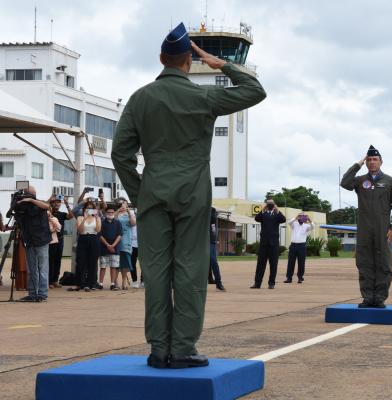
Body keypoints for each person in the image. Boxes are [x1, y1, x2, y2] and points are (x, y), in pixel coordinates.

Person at [111, 22, 266, 369]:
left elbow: (120, 155)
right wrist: (221, 63)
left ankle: (157, 349)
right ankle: (182, 349)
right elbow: (255, 91)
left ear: (161, 59)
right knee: (191, 269)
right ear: (188, 61)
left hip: (153, 193)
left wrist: (141, 194)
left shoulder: (140, 98)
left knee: (155, 271)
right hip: (193, 194)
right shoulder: (203, 96)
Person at [340, 145, 392, 308]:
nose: (372, 162)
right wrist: (357, 164)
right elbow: (345, 182)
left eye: (375, 159)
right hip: (364, 230)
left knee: (384, 265)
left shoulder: (389, 181)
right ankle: (368, 297)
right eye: (369, 160)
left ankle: (380, 298)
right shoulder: (361, 181)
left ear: (381, 162)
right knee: (364, 263)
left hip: (383, 230)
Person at [15, 186, 52, 302]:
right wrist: (17, 202)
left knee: (42, 268)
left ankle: (42, 294)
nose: (26, 196)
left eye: (29, 194)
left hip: (41, 240)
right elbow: (12, 214)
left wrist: (31, 200)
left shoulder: (38, 204)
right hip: (29, 240)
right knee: (31, 269)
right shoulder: (22, 207)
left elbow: (47, 206)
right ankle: (32, 293)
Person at [251, 199, 286, 289]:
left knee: (273, 264)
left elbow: (283, 219)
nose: (270, 205)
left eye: (271, 204)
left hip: (274, 244)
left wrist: (277, 210)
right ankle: (257, 283)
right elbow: (256, 218)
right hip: (264, 243)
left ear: (274, 205)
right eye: (268, 203)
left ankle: (271, 283)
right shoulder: (263, 214)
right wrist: (262, 209)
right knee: (260, 264)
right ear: (266, 204)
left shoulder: (277, 215)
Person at [71, 200, 101, 292]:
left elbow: (98, 230)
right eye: (87, 208)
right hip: (83, 239)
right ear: (84, 209)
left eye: (91, 208)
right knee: (81, 262)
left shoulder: (97, 218)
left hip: (93, 239)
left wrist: (96, 218)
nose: (89, 209)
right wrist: (85, 218)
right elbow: (80, 230)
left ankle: (91, 283)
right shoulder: (80, 217)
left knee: (93, 262)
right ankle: (80, 283)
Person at [47, 195, 73, 288]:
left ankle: (55, 280)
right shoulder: (48, 213)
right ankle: (49, 281)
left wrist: (66, 203)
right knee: (50, 260)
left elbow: (71, 216)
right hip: (51, 240)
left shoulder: (62, 214)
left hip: (60, 240)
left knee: (58, 260)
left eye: (58, 202)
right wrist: (50, 199)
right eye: (55, 202)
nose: (57, 203)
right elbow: (45, 206)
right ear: (51, 203)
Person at [284, 213, 314, 284]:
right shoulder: (294, 224)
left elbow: (313, 227)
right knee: (291, 262)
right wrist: (296, 217)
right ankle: (289, 278)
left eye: (302, 217)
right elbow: (289, 222)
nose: (301, 218)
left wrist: (309, 220)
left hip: (302, 246)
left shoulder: (306, 226)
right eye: (300, 217)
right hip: (293, 245)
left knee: (301, 263)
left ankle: (300, 278)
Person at [98, 204, 123, 290]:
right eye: (109, 212)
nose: (110, 213)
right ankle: (100, 283)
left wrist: (113, 245)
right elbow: (100, 235)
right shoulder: (101, 222)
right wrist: (108, 245)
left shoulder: (118, 222)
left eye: (112, 212)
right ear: (105, 213)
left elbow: (120, 235)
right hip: (103, 248)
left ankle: (112, 284)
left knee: (113, 267)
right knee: (103, 266)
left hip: (115, 248)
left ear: (114, 213)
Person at [115, 199, 136, 290]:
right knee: (115, 261)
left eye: (124, 203)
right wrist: (118, 211)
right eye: (121, 203)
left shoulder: (130, 213)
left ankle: (124, 281)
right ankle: (115, 281)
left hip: (127, 239)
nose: (122, 205)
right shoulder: (116, 213)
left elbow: (133, 223)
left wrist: (128, 212)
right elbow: (114, 221)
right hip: (116, 239)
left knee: (126, 261)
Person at [209, 207, 225, 291]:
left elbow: (213, 225)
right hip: (199, 241)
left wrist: (216, 239)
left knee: (213, 261)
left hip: (210, 240)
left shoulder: (212, 210)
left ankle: (219, 283)